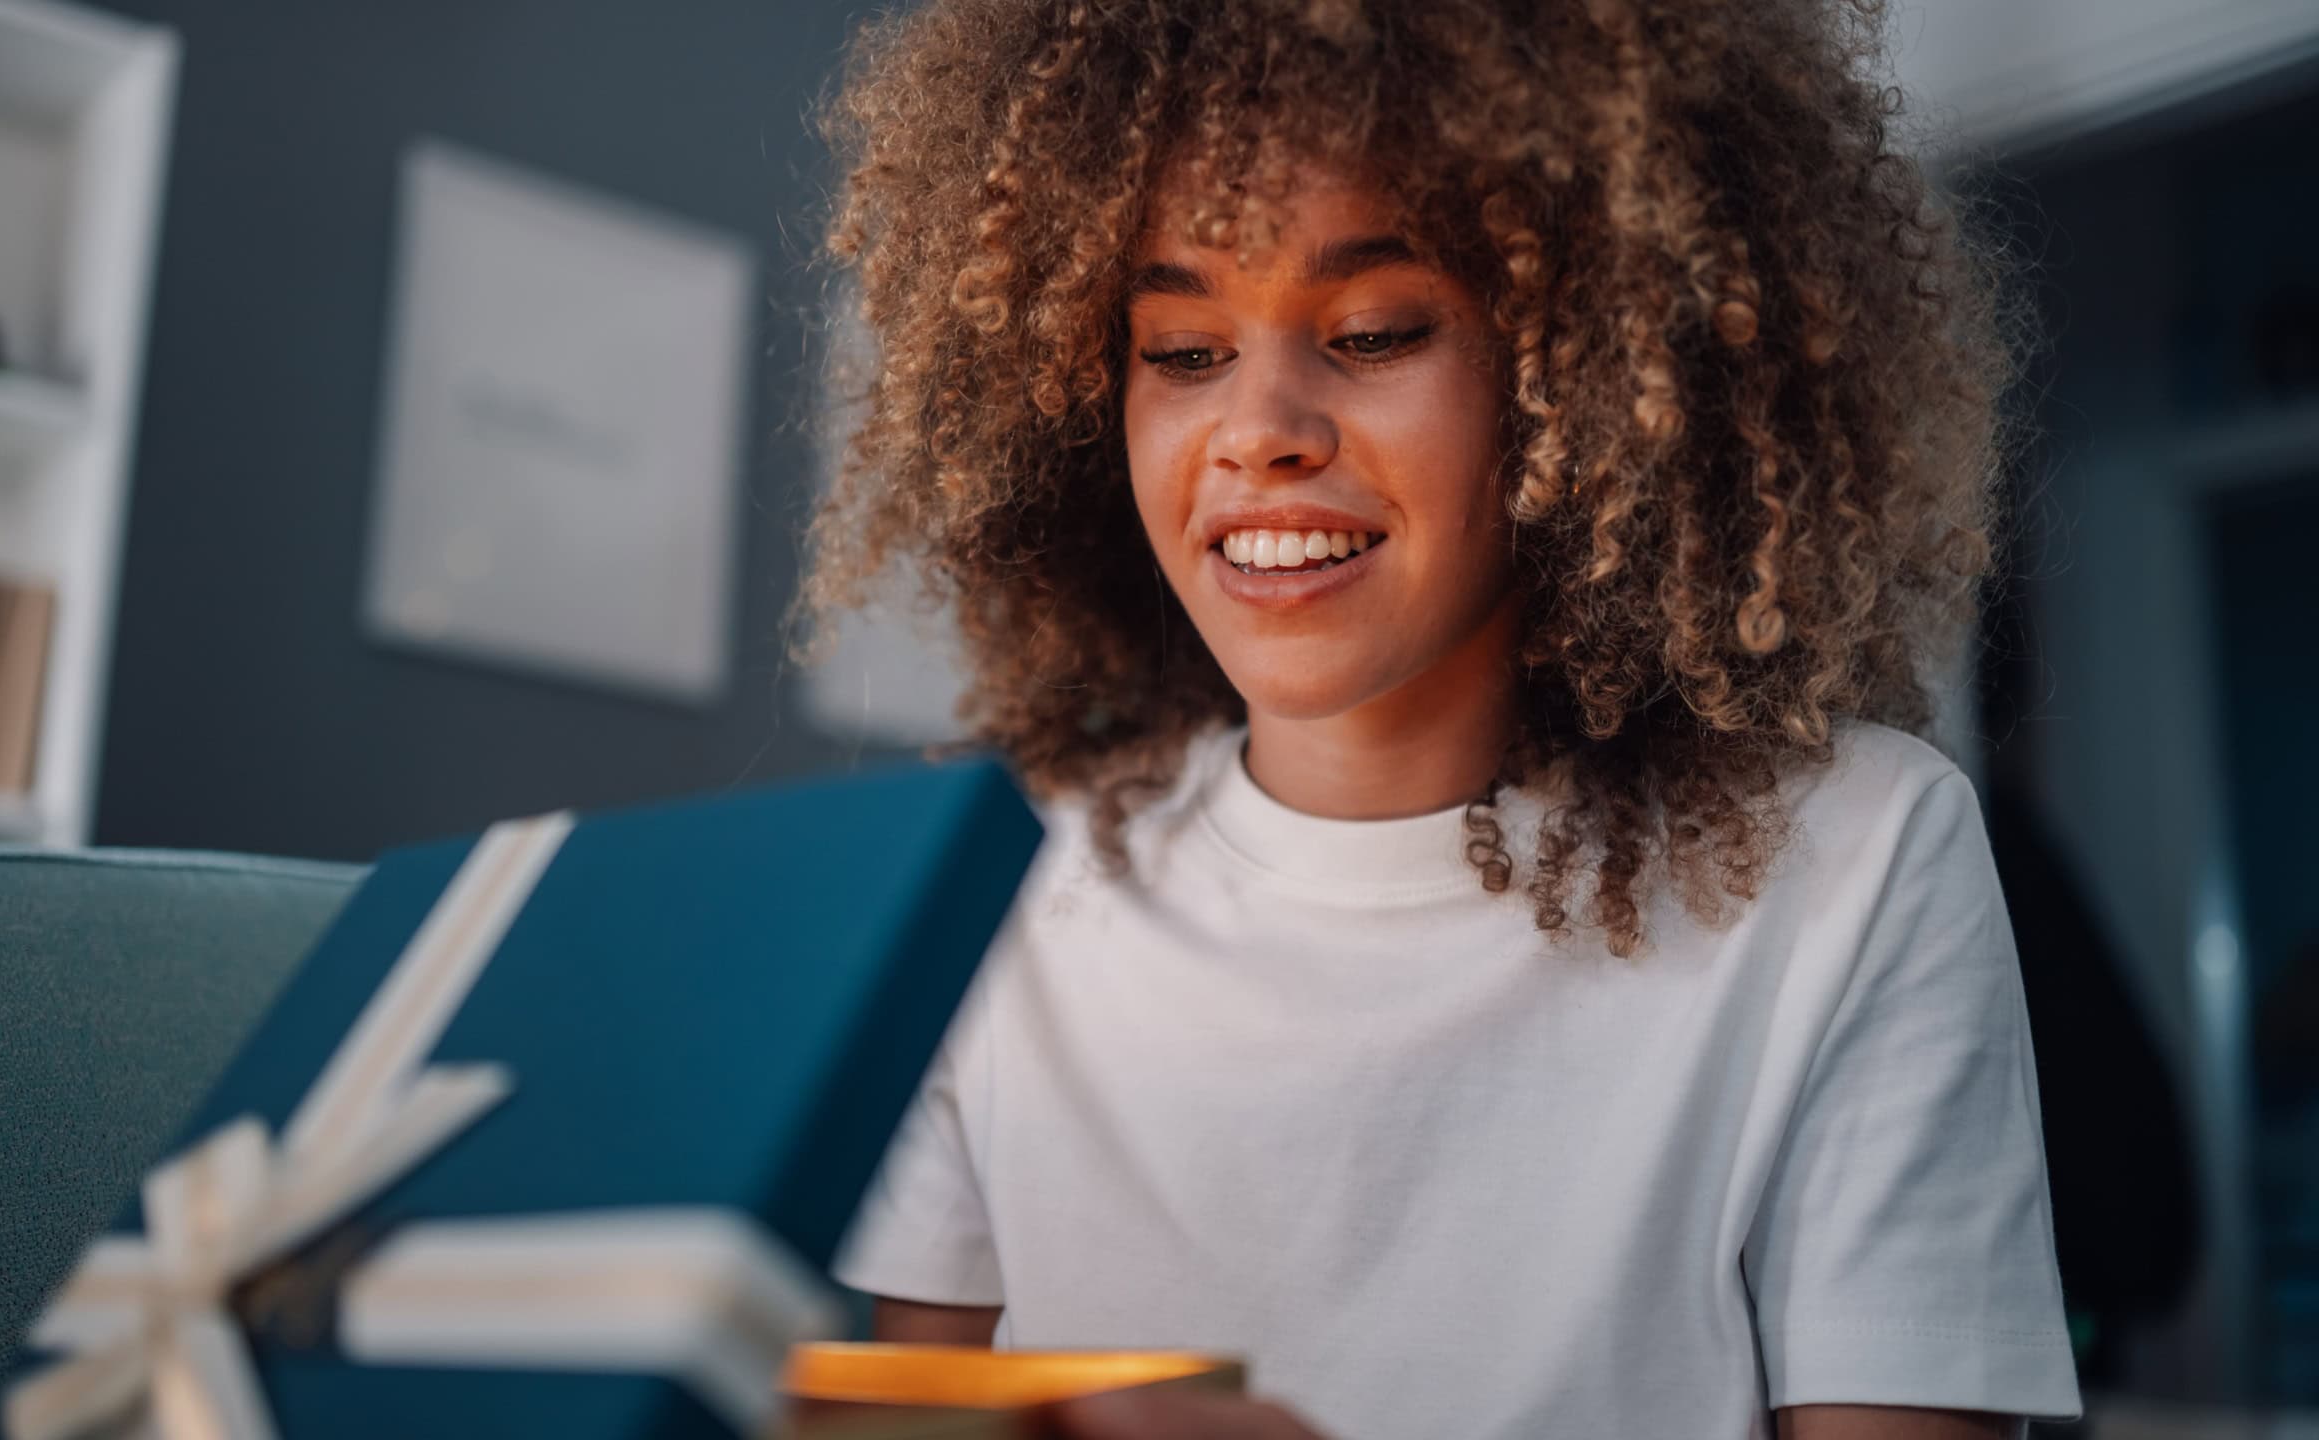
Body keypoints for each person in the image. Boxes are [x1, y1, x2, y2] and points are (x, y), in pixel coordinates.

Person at [799, 1, 2080, 1437]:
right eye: (1181, 351)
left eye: (1373, 331)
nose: (1260, 426)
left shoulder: (1854, 860)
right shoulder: (998, 896)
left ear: (1589, 376)